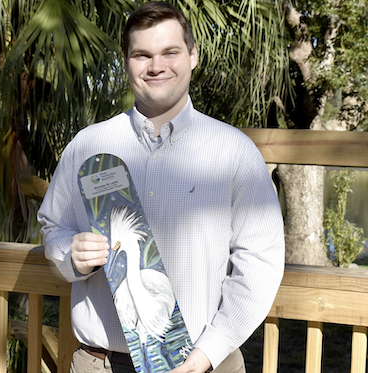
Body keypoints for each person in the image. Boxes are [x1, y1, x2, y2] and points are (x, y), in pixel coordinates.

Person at [37, 2, 285, 373]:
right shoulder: (86, 147)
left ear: (193, 56)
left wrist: (204, 355)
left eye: (170, 52)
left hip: (205, 364)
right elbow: (52, 227)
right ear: (126, 62)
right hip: (101, 364)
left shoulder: (235, 152)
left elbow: (260, 265)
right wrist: (69, 254)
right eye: (142, 55)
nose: (156, 66)